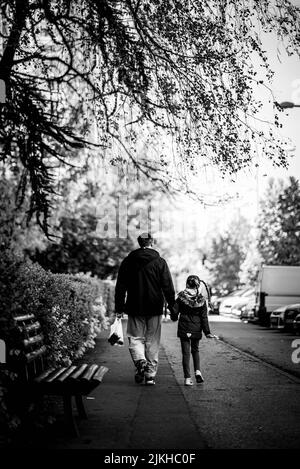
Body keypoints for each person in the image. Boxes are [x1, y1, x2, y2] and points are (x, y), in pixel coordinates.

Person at [115, 233, 175, 385]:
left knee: (135, 338)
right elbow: (168, 286)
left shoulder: (128, 261)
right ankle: (150, 375)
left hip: (135, 307)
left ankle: (140, 361)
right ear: (152, 243)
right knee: (152, 341)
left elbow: (120, 286)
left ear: (139, 243)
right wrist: (173, 306)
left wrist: (119, 307)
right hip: (155, 307)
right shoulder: (160, 262)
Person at [171, 275, 218, 386]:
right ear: (198, 285)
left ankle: (187, 378)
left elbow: (174, 313)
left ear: (187, 284)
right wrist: (207, 332)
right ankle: (198, 371)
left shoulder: (181, 297)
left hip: (184, 328)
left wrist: (170, 309)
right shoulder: (201, 299)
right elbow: (204, 318)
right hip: (196, 329)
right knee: (195, 350)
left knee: (186, 353)